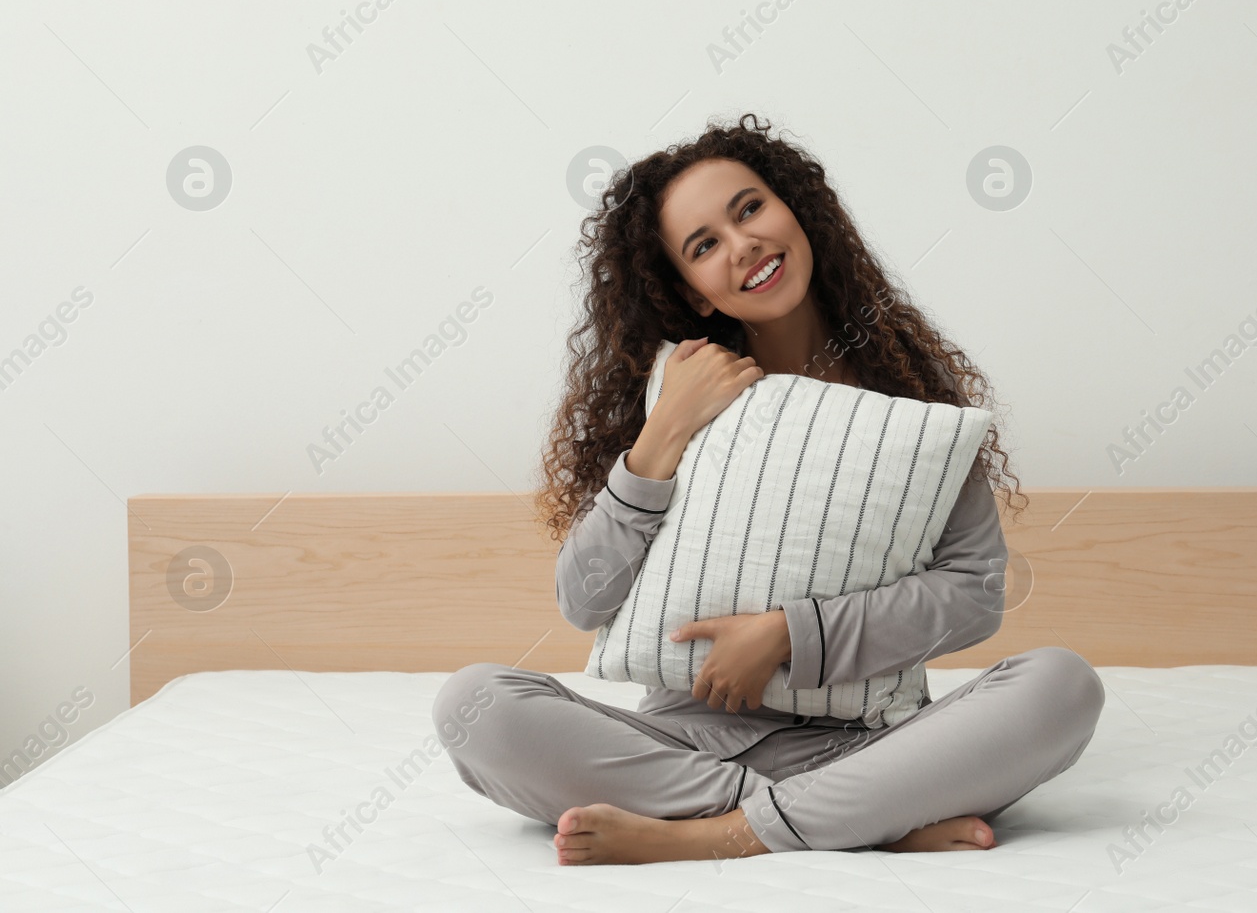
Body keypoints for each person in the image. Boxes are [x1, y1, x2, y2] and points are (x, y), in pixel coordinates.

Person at [432, 113, 1105, 865]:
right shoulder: (681, 393)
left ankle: (718, 835)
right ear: (694, 292)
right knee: (473, 705)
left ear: (797, 212)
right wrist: (661, 437)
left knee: (1063, 685)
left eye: (749, 208)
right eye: (704, 244)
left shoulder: (913, 411)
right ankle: (865, 821)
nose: (742, 243)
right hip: (686, 743)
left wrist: (791, 634)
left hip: (869, 741)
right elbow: (584, 600)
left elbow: (976, 591)